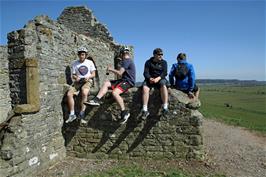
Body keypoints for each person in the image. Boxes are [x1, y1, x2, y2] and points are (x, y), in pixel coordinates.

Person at [86, 47, 136, 124]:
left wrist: (110, 69)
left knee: (115, 93)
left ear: (122, 54)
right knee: (106, 83)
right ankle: (96, 100)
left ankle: (124, 112)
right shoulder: (127, 61)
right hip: (123, 80)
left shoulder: (126, 61)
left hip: (128, 82)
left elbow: (120, 73)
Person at [65, 47, 96, 123]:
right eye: (80, 54)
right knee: (69, 94)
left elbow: (94, 74)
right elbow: (73, 75)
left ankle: (82, 114)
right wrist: (76, 77)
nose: (81, 56)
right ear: (78, 55)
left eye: (83, 54)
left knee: (84, 92)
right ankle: (72, 114)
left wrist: (88, 77)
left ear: (85, 55)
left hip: (87, 80)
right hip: (78, 82)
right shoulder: (75, 63)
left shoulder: (89, 62)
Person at [141, 48, 169, 119]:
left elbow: (164, 73)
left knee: (163, 85)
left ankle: (165, 108)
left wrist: (158, 78)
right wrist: (149, 78)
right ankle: (144, 110)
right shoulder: (148, 62)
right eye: (159, 54)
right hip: (150, 79)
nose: (161, 56)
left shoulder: (164, 62)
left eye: (162, 54)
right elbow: (145, 73)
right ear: (154, 55)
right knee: (145, 87)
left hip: (160, 78)